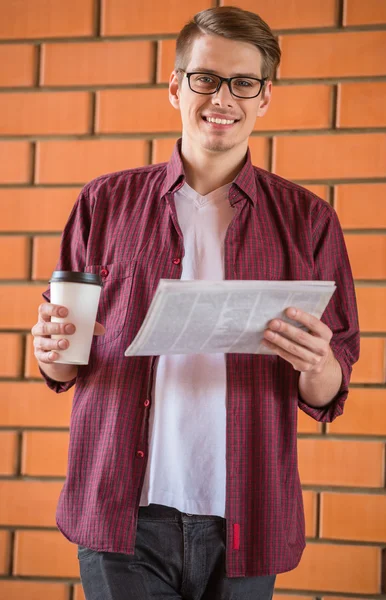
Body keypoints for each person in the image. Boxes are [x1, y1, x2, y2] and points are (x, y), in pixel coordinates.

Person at [31, 6, 360, 600]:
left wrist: (318, 364)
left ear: (264, 98)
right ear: (175, 85)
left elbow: (330, 388)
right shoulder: (103, 203)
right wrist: (49, 349)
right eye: (205, 78)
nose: (222, 97)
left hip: (247, 515)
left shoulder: (309, 220)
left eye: (244, 82)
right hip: (120, 512)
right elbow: (63, 364)